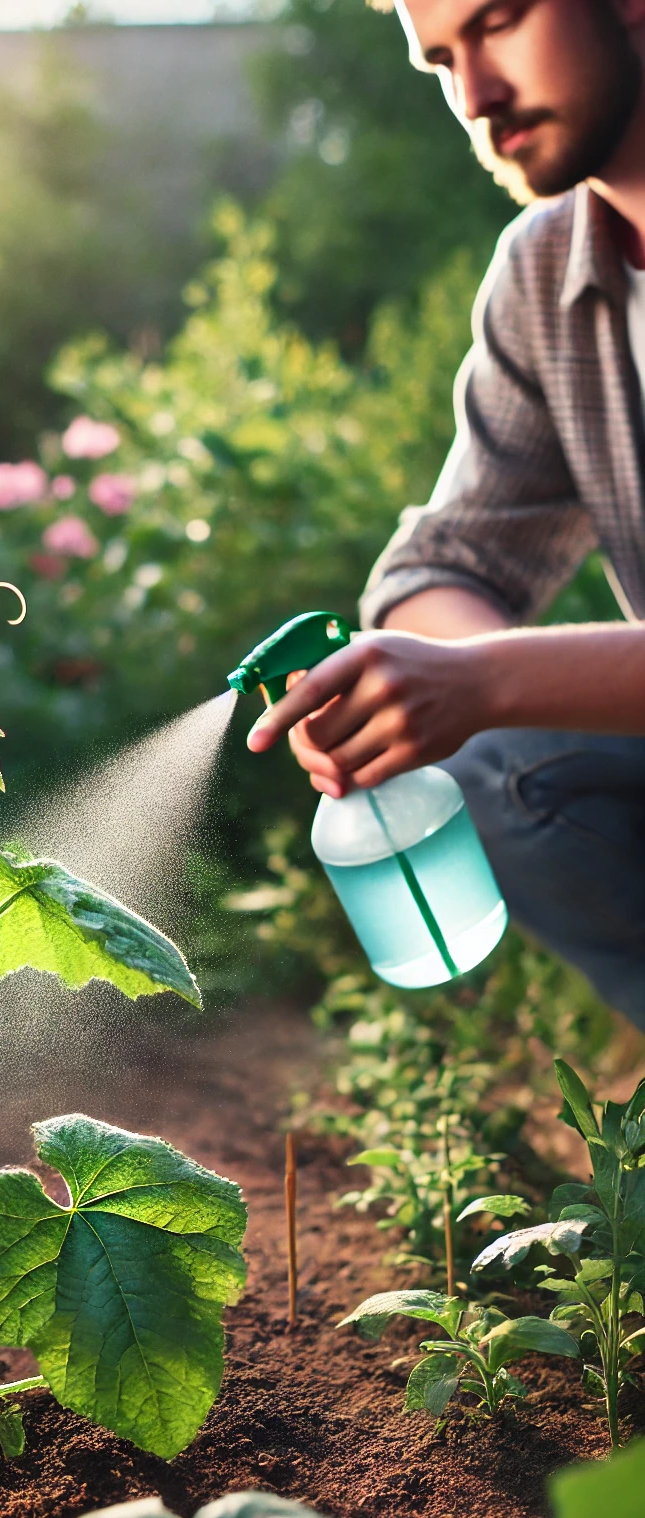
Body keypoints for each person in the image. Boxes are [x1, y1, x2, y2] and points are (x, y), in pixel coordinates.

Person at [246, 0, 645, 1026]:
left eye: (499, 21)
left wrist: (491, 678)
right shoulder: (545, 270)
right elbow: (436, 570)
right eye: (439, 61)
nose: (474, 97)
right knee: (493, 767)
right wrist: (433, 688)